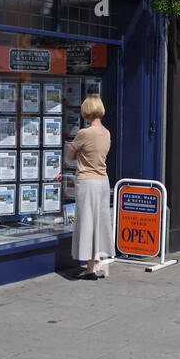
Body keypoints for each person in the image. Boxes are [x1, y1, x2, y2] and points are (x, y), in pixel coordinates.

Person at [67, 95, 115, 279]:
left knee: (87, 222)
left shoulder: (84, 133)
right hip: (103, 181)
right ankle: (99, 263)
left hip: (87, 181)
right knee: (101, 222)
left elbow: (70, 155)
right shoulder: (106, 133)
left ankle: (89, 269)